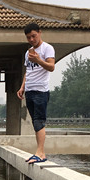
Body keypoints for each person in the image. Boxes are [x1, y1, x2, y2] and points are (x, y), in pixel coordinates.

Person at [17, 22, 55, 163]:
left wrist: (38, 59)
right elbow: (29, 71)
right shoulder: (28, 52)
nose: (32, 39)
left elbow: (51, 67)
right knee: (35, 122)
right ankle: (39, 152)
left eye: (33, 36)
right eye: (28, 37)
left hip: (41, 90)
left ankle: (40, 153)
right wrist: (22, 87)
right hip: (30, 90)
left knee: (39, 121)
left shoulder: (47, 48)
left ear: (39, 32)